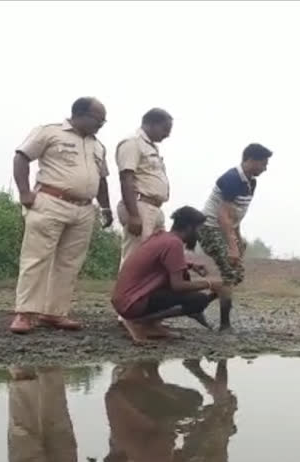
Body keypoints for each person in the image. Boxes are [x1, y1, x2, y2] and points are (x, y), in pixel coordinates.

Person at [10, 97, 113, 334]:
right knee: (36, 258)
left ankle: (54, 313)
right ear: (80, 114)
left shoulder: (98, 145)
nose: (101, 125)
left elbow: (102, 180)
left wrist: (106, 208)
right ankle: (25, 313)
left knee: (69, 262)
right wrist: (24, 192)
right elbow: (21, 157)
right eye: (98, 119)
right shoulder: (50, 132)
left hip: (85, 209)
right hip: (50, 202)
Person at [111, 206, 221, 345]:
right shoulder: (174, 243)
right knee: (198, 300)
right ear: (188, 228)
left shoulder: (162, 236)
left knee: (183, 278)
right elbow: (178, 286)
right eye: (198, 230)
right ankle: (140, 323)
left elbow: (161, 262)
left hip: (124, 299)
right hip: (132, 303)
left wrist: (191, 265)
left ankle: (152, 326)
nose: (199, 235)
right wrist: (210, 283)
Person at [200, 143, 272, 332]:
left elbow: (235, 214)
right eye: (263, 164)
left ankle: (198, 304)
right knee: (230, 274)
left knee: (236, 275)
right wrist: (232, 246)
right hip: (209, 228)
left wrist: (238, 239)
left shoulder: (251, 183)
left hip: (224, 229)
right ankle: (225, 325)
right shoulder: (232, 179)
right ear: (250, 160)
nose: (265, 168)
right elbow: (223, 215)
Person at [116, 108, 173, 266]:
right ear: (152, 124)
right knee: (135, 257)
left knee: (154, 257)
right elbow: (126, 178)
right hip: (140, 205)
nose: (167, 134)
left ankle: (145, 291)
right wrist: (134, 215)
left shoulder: (151, 147)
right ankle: (126, 291)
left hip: (155, 207)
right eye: (165, 129)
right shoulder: (132, 143)